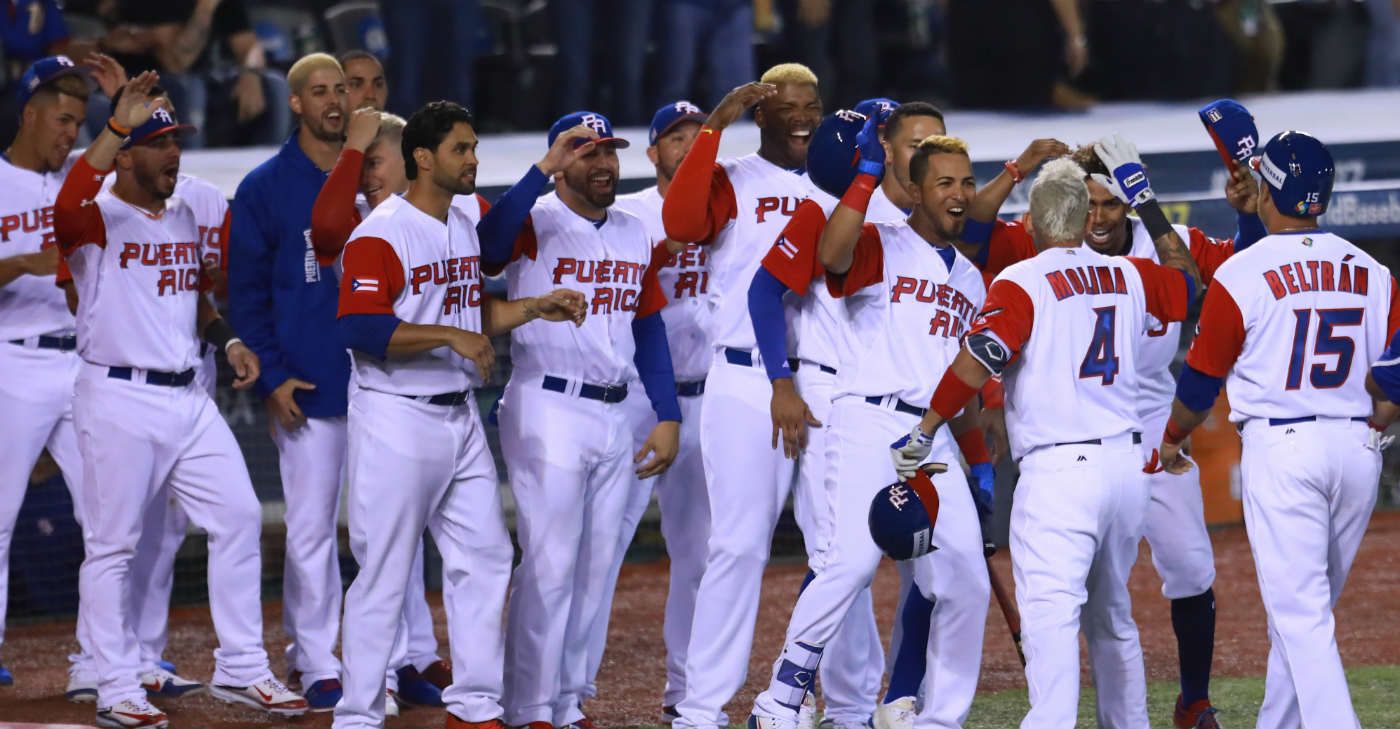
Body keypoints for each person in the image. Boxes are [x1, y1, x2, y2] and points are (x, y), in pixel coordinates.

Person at [892, 141, 1200, 728]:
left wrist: (928, 426)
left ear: (1030, 222)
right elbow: (1189, 284)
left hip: (1061, 475)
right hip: (1126, 469)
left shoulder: (1021, 280)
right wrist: (1148, 206)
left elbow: (976, 359)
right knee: (1113, 618)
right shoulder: (1133, 273)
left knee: (1052, 618)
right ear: (1087, 219)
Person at [55, 71, 307, 729]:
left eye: (176, 142)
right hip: (117, 395)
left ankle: (242, 666)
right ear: (129, 153)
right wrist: (113, 126)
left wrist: (227, 343)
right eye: (159, 143)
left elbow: (195, 300)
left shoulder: (185, 213)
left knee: (240, 515)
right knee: (114, 545)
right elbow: (63, 210)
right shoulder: (97, 214)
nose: (173, 154)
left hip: (187, 397)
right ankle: (114, 682)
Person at [332, 98, 588, 729]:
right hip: (395, 415)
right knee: (385, 574)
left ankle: (475, 706)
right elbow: (362, 327)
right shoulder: (380, 232)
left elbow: (476, 309)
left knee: (487, 556)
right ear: (423, 158)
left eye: (474, 147)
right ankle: (357, 715)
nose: (473, 159)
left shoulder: (464, 218)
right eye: (461, 149)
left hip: (457, 416)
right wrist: (449, 335)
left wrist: (533, 307)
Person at [1156, 131, 1398, 729]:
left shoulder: (1243, 272)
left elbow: (1199, 380)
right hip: (1358, 449)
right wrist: (1385, 410)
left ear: (1270, 190)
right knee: (1305, 612)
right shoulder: (1373, 269)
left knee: (1301, 615)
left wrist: (1171, 438)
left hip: (1285, 449)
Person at [752, 129, 993, 729]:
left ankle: (940, 718)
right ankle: (780, 700)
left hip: (931, 437)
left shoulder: (972, 279)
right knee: (850, 563)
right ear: (914, 191)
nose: (958, 194)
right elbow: (832, 258)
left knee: (966, 580)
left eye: (966, 182)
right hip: (867, 416)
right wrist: (863, 176)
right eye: (944, 182)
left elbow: (960, 386)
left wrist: (978, 460)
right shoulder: (880, 242)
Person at [477, 109, 680, 729]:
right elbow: (487, 253)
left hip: (617, 412)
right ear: (561, 160)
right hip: (549, 402)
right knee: (551, 561)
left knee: (594, 568)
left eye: (608, 151)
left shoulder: (632, 231)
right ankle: (529, 707)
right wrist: (542, 170)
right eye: (585, 152)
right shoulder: (535, 220)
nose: (602, 163)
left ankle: (566, 700)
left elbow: (647, 327)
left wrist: (667, 413)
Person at [659, 64, 828, 729]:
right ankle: (701, 709)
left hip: (822, 376)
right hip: (744, 376)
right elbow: (679, 219)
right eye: (787, 105)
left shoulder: (838, 182)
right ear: (762, 114)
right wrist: (715, 123)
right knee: (738, 544)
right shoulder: (733, 180)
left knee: (837, 548)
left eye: (811, 104)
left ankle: (833, 697)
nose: (801, 116)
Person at [309, 105, 475, 703]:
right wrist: (352, 151)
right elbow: (327, 233)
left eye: (377, 162)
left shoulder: (452, 215)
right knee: (372, 558)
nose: (366, 174)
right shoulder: (367, 219)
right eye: (363, 163)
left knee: (462, 555)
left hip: (448, 403)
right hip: (381, 395)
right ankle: (360, 694)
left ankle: (417, 665)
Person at [226, 52, 354, 712]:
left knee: (385, 528)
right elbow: (243, 296)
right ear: (296, 103)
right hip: (306, 385)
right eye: (319, 91)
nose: (334, 100)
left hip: (382, 384)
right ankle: (316, 657)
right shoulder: (264, 186)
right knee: (308, 532)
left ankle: (393, 655)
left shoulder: (377, 172)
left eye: (341, 89)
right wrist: (273, 376)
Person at [583, 99, 711, 721]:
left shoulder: (729, 207)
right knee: (601, 545)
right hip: (636, 396)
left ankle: (686, 694)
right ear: (654, 152)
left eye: (698, 135)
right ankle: (567, 692)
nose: (687, 145)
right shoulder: (628, 214)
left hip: (712, 398)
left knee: (701, 555)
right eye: (675, 137)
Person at [0, 53, 89, 693]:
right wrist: (22, 262)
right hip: (14, 358)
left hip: (82, 361)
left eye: (78, 122)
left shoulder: (79, 182)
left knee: (112, 515)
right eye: (61, 119)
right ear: (29, 114)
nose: (69, 134)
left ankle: (111, 658)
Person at [86, 0, 290, 147]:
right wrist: (205, 8)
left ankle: (270, 168)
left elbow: (249, 46)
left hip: (206, 79)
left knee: (274, 84)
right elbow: (177, 61)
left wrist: (250, 74)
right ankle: (188, 172)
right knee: (188, 88)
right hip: (147, 83)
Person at [656, 0, 755, 109]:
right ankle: (668, 124)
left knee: (736, 92)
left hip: (735, 7)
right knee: (675, 86)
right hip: (683, 4)